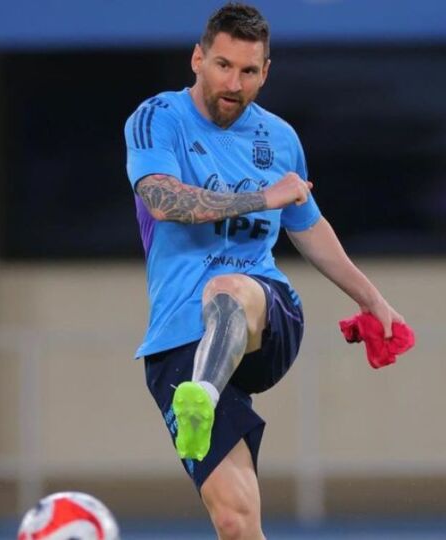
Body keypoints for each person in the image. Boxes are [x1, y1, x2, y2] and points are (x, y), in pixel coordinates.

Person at [124, 3, 404, 539]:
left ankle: (202, 395)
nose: (235, 83)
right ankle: (201, 393)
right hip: (178, 337)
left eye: (249, 71)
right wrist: (262, 197)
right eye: (224, 66)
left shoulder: (278, 139)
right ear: (197, 59)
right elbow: (161, 200)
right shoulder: (157, 118)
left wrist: (371, 299)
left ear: (266, 72)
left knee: (227, 287)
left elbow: (309, 227)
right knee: (235, 519)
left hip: (264, 314)